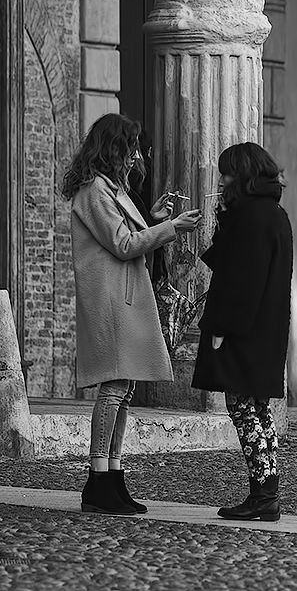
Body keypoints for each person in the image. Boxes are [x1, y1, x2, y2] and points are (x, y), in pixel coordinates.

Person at [63, 114, 200, 515]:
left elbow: (126, 234)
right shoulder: (94, 191)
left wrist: (153, 219)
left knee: (124, 391)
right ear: (114, 150)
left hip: (120, 296)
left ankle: (114, 476)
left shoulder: (108, 188)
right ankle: (97, 480)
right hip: (109, 299)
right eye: (131, 148)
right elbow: (123, 244)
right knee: (113, 389)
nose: (136, 156)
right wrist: (171, 227)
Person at [195, 142, 294, 521]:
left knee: (242, 407)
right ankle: (266, 490)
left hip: (247, 328)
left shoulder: (255, 217)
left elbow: (242, 280)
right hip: (264, 328)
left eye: (227, 173)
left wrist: (222, 327)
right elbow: (225, 259)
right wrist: (224, 219)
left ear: (243, 175)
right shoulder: (271, 214)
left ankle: (264, 493)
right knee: (256, 407)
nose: (221, 180)